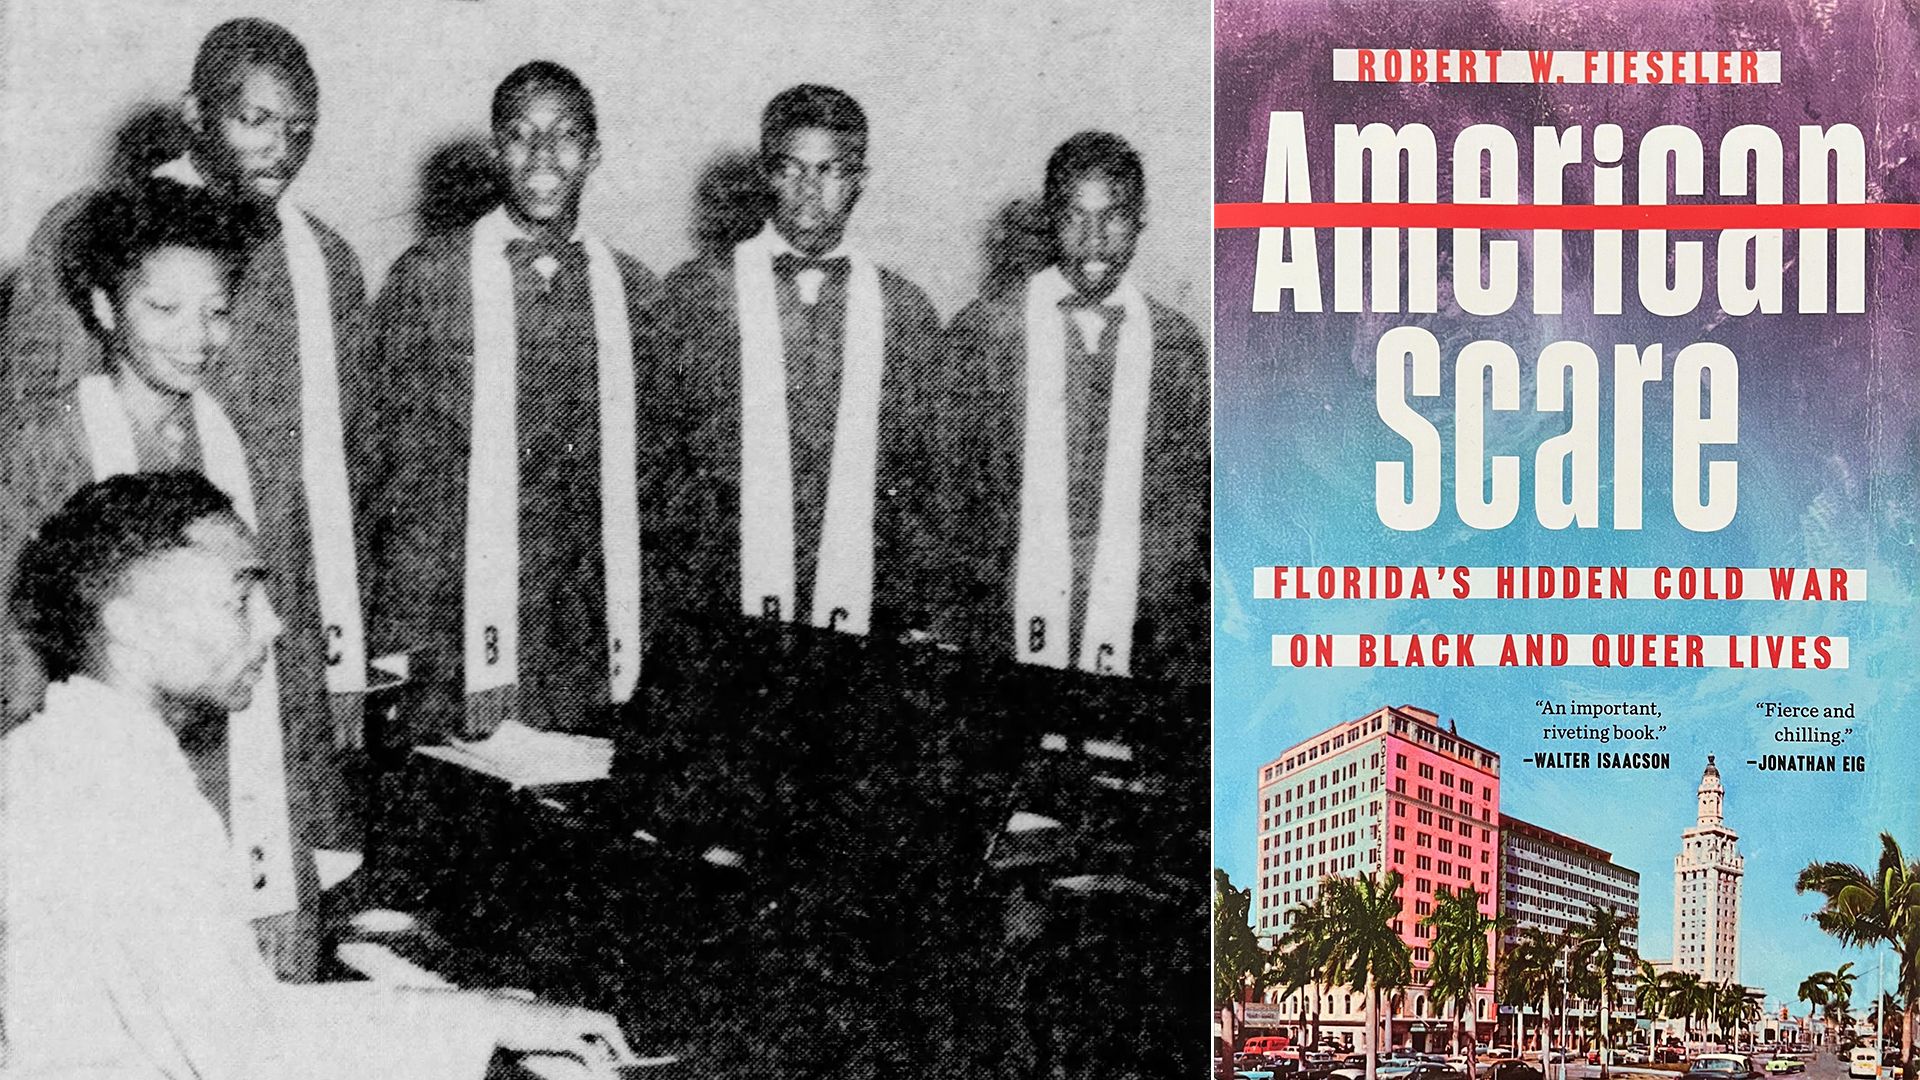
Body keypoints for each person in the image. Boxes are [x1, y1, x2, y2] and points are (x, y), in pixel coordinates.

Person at [0, 470, 638, 1078]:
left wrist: (476, 1014)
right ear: (130, 625)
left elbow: (238, 1020)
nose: (273, 624)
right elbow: (247, 1055)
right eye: (241, 597)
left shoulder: (66, 756)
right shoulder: (107, 796)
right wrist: (482, 1023)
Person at [0, 18, 377, 980]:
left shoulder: (297, 299)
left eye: (215, 313)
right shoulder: (56, 421)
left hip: (248, 721)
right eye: (256, 119)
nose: (198, 336)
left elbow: (288, 570)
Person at [365, 60, 656, 743]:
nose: (544, 157)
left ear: (595, 151)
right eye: (522, 135)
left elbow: (656, 477)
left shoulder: (635, 291)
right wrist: (399, 629)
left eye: (566, 136)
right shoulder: (430, 277)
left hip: (581, 624)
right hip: (454, 617)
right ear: (497, 150)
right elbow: (387, 467)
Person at [651, 83, 943, 641]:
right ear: (766, 174)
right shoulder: (696, 292)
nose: (811, 191)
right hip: (719, 609)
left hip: (864, 617)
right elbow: (661, 464)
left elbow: (923, 478)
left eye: (831, 171)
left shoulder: (905, 310)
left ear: (859, 179)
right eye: (792, 169)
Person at [940, 131, 1209, 686]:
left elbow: (1180, 502)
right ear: (1047, 217)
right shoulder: (986, 329)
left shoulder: (1176, 342)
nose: (1092, 241)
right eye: (1073, 217)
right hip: (1002, 616)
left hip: (1135, 624)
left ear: (1140, 218)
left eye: (1112, 218)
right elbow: (952, 487)